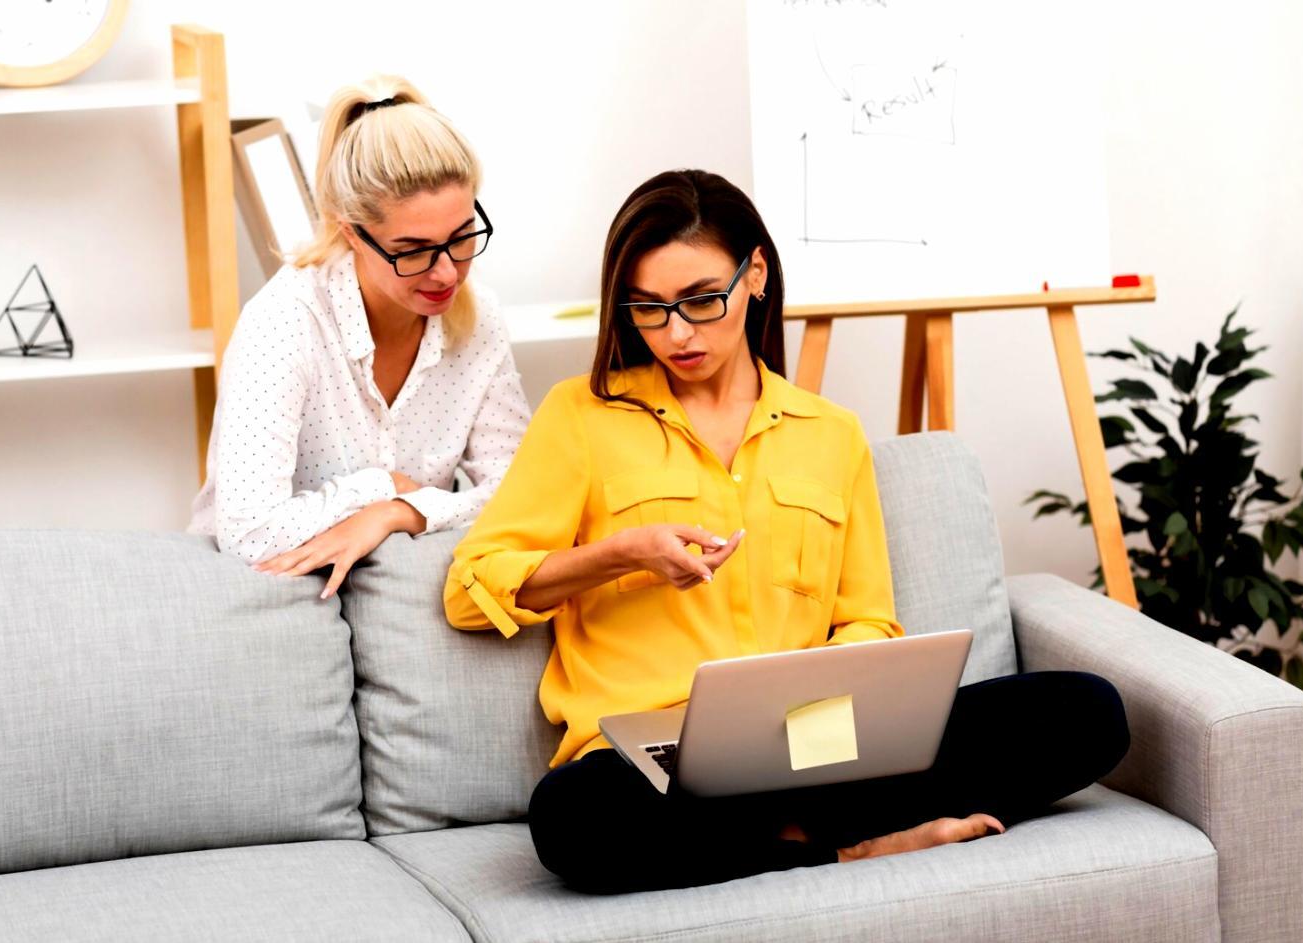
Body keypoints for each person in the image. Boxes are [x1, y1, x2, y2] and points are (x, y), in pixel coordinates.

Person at [442, 169, 1129, 894]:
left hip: (821, 749)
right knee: (572, 818)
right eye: (649, 309)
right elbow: (470, 585)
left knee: (1085, 710)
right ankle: (847, 853)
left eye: (702, 301)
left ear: (756, 274)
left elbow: (867, 618)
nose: (676, 333)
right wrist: (617, 554)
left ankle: (789, 831)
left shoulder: (830, 433)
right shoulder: (581, 415)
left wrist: (841, 701)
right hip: (662, 772)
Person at [189, 75, 530, 600]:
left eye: (462, 238)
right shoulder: (285, 321)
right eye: (413, 249)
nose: (445, 274)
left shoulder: (478, 319)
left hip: (402, 586)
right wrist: (383, 487)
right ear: (351, 231)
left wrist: (397, 514)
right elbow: (249, 534)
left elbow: (523, 495)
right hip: (269, 595)